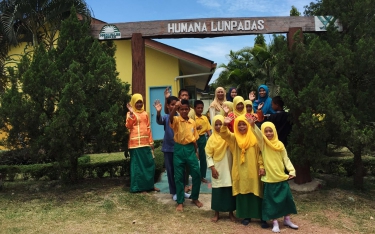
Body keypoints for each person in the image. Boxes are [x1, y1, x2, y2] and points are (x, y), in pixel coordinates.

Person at [250, 121, 298, 233]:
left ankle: (287, 219)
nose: (268, 133)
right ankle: (275, 222)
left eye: (270, 131)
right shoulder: (263, 144)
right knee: (272, 202)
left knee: (286, 199)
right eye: (265, 131)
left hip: (281, 177)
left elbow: (285, 159)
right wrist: (253, 125)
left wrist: (291, 170)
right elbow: (258, 135)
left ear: (274, 131)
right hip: (270, 178)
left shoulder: (280, 144)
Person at [220, 114, 268, 228]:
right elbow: (224, 134)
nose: (242, 127)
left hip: (254, 170)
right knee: (244, 192)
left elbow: (261, 147)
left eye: (244, 124)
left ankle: (262, 217)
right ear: (236, 126)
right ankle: (247, 216)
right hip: (241, 171)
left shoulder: (254, 137)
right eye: (239, 125)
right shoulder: (234, 138)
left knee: (257, 192)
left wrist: (261, 166)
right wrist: (224, 124)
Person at [154, 96, 190, 200]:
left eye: (176, 104)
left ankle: (182, 191)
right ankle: (174, 192)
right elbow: (159, 121)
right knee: (170, 171)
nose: (174, 106)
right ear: (168, 106)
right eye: (172, 104)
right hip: (168, 149)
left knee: (181, 171)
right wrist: (158, 112)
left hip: (180, 148)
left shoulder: (180, 117)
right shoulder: (166, 117)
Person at [169, 99, 203, 211]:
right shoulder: (176, 120)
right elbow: (170, 118)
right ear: (179, 110)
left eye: (186, 109)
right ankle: (180, 201)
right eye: (181, 109)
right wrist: (174, 108)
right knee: (178, 176)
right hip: (179, 149)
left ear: (189, 109)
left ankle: (194, 197)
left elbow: (195, 140)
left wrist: (196, 152)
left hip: (190, 149)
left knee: (197, 173)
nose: (184, 111)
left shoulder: (192, 122)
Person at [125, 93, 160, 193]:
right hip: (135, 145)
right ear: (133, 103)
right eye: (137, 102)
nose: (139, 104)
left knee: (150, 165)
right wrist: (131, 114)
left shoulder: (145, 114)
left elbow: (148, 128)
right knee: (138, 167)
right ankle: (139, 187)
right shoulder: (129, 114)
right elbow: (128, 126)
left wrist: (151, 142)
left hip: (146, 144)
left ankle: (150, 186)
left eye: (141, 102)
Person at [205, 115, 236, 223]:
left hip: (230, 166)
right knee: (218, 190)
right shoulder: (211, 139)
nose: (218, 126)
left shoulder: (228, 136)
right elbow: (208, 155)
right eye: (216, 124)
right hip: (217, 168)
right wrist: (212, 168)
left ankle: (231, 213)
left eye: (221, 124)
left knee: (229, 189)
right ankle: (216, 213)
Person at [194, 100, 212, 183]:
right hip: (193, 139)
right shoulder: (192, 118)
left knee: (203, 157)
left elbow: (208, 129)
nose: (200, 109)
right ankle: (195, 175)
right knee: (194, 158)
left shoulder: (205, 118)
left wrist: (211, 137)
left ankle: (202, 176)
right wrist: (196, 128)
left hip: (202, 138)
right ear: (194, 108)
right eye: (198, 108)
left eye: (201, 108)